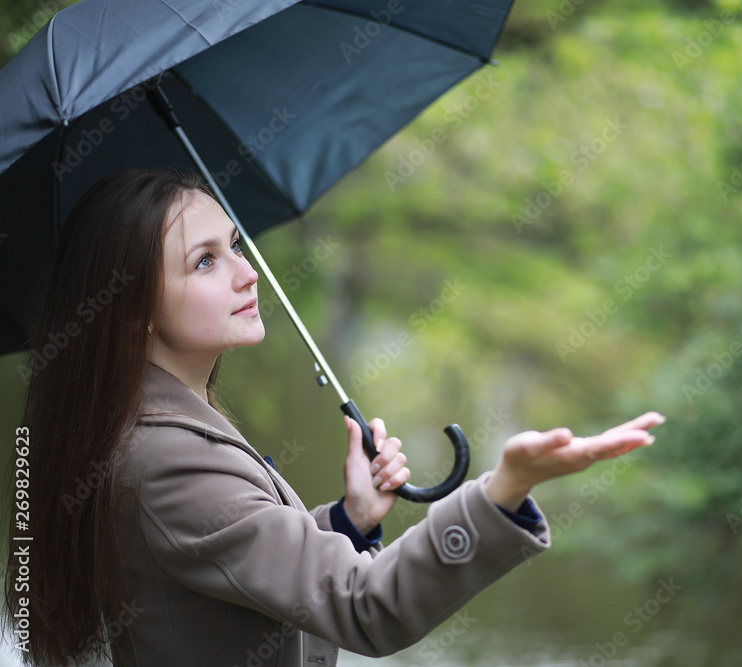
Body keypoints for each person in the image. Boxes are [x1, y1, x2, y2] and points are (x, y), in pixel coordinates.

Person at [2, 169, 663, 666]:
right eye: (205, 261)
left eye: (235, 245)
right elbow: (366, 607)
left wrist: (349, 520)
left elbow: (237, 565)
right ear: (135, 310)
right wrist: (502, 493)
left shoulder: (160, 428)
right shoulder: (167, 462)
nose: (247, 274)